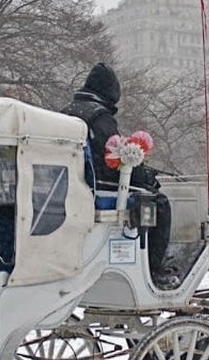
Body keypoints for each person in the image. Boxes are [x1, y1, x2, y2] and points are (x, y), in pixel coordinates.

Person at [62, 62, 176, 287]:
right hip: (96, 188)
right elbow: (112, 161)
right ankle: (154, 267)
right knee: (160, 203)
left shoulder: (67, 112)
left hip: (71, 187)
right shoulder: (100, 118)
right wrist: (143, 178)